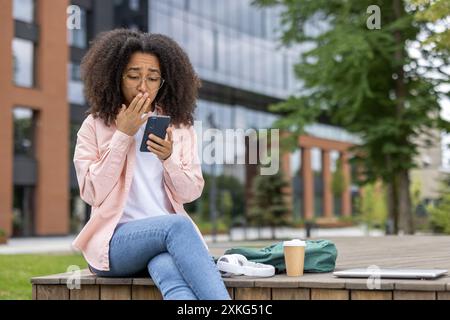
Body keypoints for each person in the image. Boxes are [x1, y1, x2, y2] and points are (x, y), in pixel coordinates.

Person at [71, 29, 230, 300]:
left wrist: (168, 158)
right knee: (178, 226)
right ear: (115, 77)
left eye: (153, 78)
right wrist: (122, 135)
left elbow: (191, 193)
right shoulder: (95, 126)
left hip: (164, 242)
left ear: (163, 82)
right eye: (133, 76)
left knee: (172, 278)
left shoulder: (178, 126)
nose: (143, 86)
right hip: (115, 244)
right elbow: (92, 193)